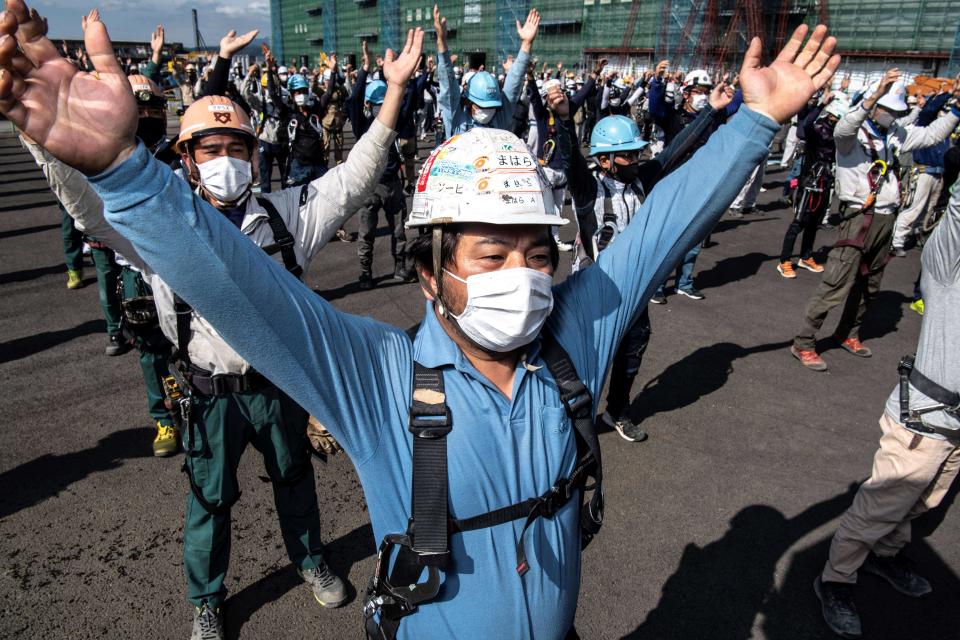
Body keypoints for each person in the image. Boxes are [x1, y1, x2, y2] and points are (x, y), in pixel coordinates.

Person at [0, 3, 839, 636]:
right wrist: (126, 172)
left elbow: (661, 228)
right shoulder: (376, 378)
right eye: (491, 254)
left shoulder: (572, 345)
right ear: (429, 272)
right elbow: (238, 288)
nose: (526, 278)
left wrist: (756, 122)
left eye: (539, 255)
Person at [0, 8, 426, 638]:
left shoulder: (287, 216)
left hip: (281, 386)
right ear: (187, 158)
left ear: (255, 156)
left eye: (237, 148)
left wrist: (392, 94)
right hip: (208, 391)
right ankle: (207, 597)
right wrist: (47, 142)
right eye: (210, 148)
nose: (226, 159)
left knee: (294, 478)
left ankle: (310, 561)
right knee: (208, 500)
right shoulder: (157, 223)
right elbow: (92, 213)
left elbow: (355, 180)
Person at [813, 176, 960, 640]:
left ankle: (887, 552)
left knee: (924, 501)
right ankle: (835, 579)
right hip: (923, 420)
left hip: (956, 429)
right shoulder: (946, 270)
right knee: (878, 507)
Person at [560, 84, 734, 442]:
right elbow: (570, 158)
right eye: (627, 156)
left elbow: (676, 150)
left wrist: (712, 111)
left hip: (633, 287)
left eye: (637, 154)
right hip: (592, 290)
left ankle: (617, 411)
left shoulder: (642, 178)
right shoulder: (588, 189)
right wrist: (563, 119)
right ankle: (572, 418)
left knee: (634, 346)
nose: (635, 161)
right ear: (605, 159)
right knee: (584, 356)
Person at [790, 69, 960, 371]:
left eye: (896, 111)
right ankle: (804, 341)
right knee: (835, 283)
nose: (892, 115)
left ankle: (849, 334)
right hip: (859, 218)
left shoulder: (895, 134)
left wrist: (957, 108)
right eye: (887, 109)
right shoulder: (851, 137)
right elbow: (845, 127)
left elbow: (933, 134)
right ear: (876, 105)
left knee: (870, 283)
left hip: (886, 218)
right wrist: (873, 96)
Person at [347, 39, 417, 289]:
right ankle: (365, 272)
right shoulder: (361, 123)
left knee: (399, 231)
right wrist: (365, 67)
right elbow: (354, 100)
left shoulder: (395, 120)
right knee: (366, 233)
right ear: (368, 105)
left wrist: (408, 76)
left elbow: (409, 100)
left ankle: (400, 267)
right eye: (375, 104)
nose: (380, 109)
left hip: (393, 184)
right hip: (370, 186)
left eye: (382, 103)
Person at [433, 3, 538, 135]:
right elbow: (448, 88)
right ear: (468, 101)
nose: (487, 111)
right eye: (481, 106)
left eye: (491, 107)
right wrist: (441, 42)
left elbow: (513, 85)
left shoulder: (500, 119)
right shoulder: (456, 120)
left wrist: (526, 44)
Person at [777, 90, 847, 278]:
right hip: (809, 182)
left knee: (814, 223)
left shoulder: (839, 133)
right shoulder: (816, 129)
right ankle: (784, 260)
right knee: (798, 222)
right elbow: (805, 124)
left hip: (825, 182)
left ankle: (806, 256)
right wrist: (821, 105)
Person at [890, 83, 957, 255]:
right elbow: (929, 110)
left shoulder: (944, 129)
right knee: (914, 208)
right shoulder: (926, 121)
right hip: (923, 170)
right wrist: (948, 93)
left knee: (928, 210)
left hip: (938, 172)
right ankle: (896, 241)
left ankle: (917, 234)